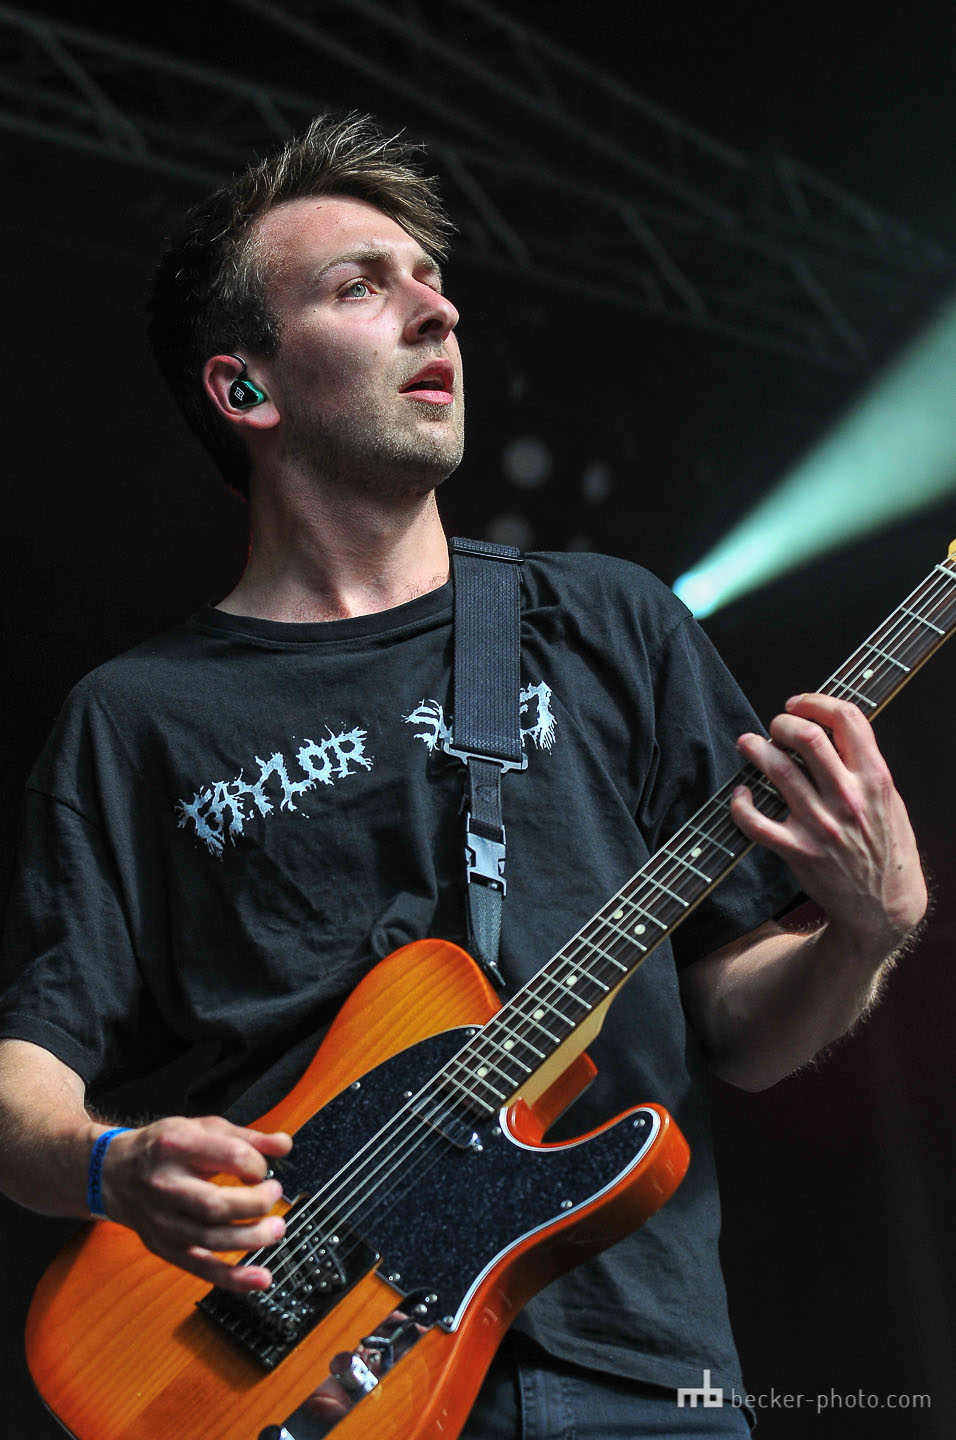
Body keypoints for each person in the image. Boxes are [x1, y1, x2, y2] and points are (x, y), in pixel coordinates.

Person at [0, 114, 927, 1438]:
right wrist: (110, 1164)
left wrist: (864, 934)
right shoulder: (136, 717)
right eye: (359, 286)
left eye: (432, 280)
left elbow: (738, 1025)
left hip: (638, 1375)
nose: (436, 310)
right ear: (245, 390)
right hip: (294, 1376)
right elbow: (22, 1076)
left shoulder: (608, 621)